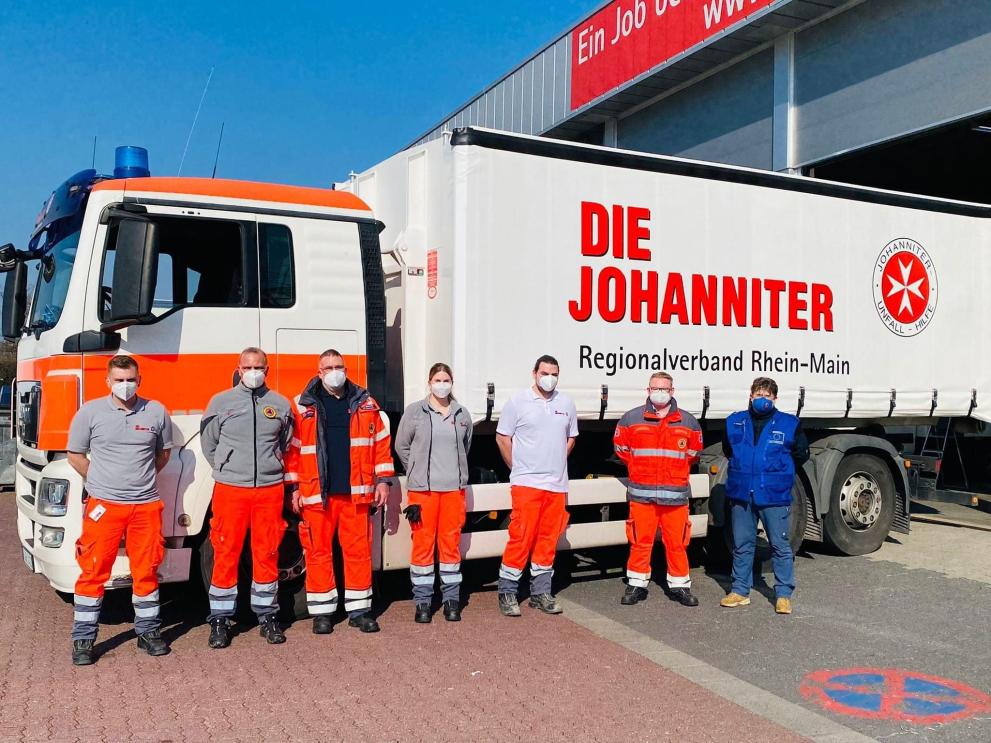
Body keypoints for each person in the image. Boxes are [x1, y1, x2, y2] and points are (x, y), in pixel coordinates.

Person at [68, 355, 173, 665]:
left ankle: (149, 633)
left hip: (145, 506)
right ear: (108, 381)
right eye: (119, 379)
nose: (125, 385)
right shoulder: (90, 413)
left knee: (147, 570)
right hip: (104, 505)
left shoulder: (156, 412)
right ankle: (83, 640)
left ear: (139, 380)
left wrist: (138, 481)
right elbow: (75, 455)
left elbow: (162, 455)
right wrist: (100, 480)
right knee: (93, 570)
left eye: (130, 379)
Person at [286, 349, 394, 634]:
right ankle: (323, 613)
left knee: (358, 552)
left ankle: (359, 610)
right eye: (329, 367)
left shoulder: (366, 403)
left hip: (355, 494)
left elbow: (381, 444)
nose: (335, 371)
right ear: (319, 372)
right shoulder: (302, 405)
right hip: (316, 494)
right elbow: (293, 451)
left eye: (339, 366)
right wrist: (294, 487)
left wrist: (383, 480)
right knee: (318, 552)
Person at [200, 347, 294, 648]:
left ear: (267, 369)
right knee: (225, 551)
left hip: (268, 489)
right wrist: (229, 467)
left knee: (266, 553)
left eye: (259, 367)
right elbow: (209, 444)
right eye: (248, 367)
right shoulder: (220, 402)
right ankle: (219, 619)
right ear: (239, 369)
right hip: (231, 489)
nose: (254, 372)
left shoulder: (280, 405)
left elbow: (285, 442)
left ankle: (267, 616)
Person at [495, 355, 578, 617]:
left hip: (556, 484)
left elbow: (571, 437)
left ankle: (541, 592)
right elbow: (502, 438)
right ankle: (508, 592)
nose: (549, 378)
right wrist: (517, 467)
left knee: (548, 538)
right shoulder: (518, 402)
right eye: (545, 372)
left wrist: (555, 462)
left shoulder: (566, 403)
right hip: (527, 483)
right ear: (534, 373)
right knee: (521, 536)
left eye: (554, 373)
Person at [719, 377, 810, 614]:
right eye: (759, 394)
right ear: (750, 396)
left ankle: (783, 594)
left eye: (768, 396)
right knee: (742, 544)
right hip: (741, 493)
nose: (763, 399)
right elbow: (728, 451)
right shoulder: (734, 421)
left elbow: (801, 454)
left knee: (780, 545)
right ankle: (739, 591)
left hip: (773, 495)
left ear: (775, 399)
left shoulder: (789, 424)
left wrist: (775, 472)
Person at [614, 372, 703, 608]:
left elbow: (693, 454)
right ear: (648, 390)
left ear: (672, 391)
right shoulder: (631, 419)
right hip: (642, 495)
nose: (660, 392)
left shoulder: (688, 422)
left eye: (664, 389)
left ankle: (680, 586)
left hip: (674, 497)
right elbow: (622, 449)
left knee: (677, 543)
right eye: (655, 388)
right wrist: (639, 468)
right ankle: (636, 584)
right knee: (640, 541)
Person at [395, 363, 473, 623]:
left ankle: (451, 600)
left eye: (446, 379)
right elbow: (401, 445)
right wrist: (415, 470)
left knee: (451, 546)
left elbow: (466, 445)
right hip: (423, 492)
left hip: (453, 490)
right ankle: (423, 602)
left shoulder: (462, 414)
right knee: (422, 546)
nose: (442, 384)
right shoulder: (415, 412)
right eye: (438, 379)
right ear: (429, 382)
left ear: (452, 382)